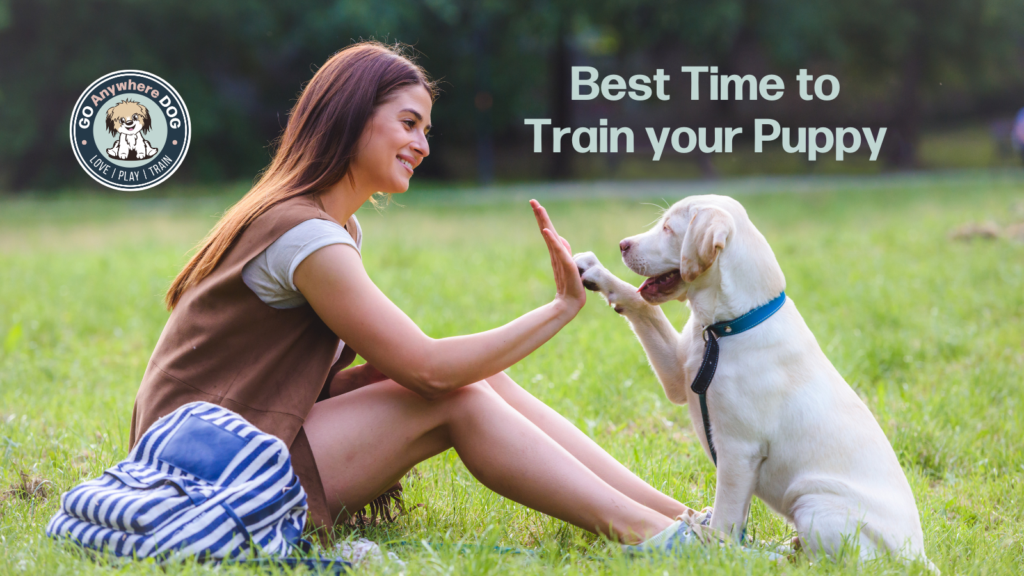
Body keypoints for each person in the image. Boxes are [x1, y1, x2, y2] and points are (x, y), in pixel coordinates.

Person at [128, 41, 692, 547]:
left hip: (228, 450)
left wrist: (377, 377)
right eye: (408, 123)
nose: (421, 145)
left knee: (478, 378)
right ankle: (656, 535)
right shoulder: (304, 234)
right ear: (352, 117)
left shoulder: (328, 226)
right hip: (200, 477)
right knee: (457, 395)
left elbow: (296, 382)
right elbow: (430, 372)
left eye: (425, 129)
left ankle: (689, 520)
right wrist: (561, 308)